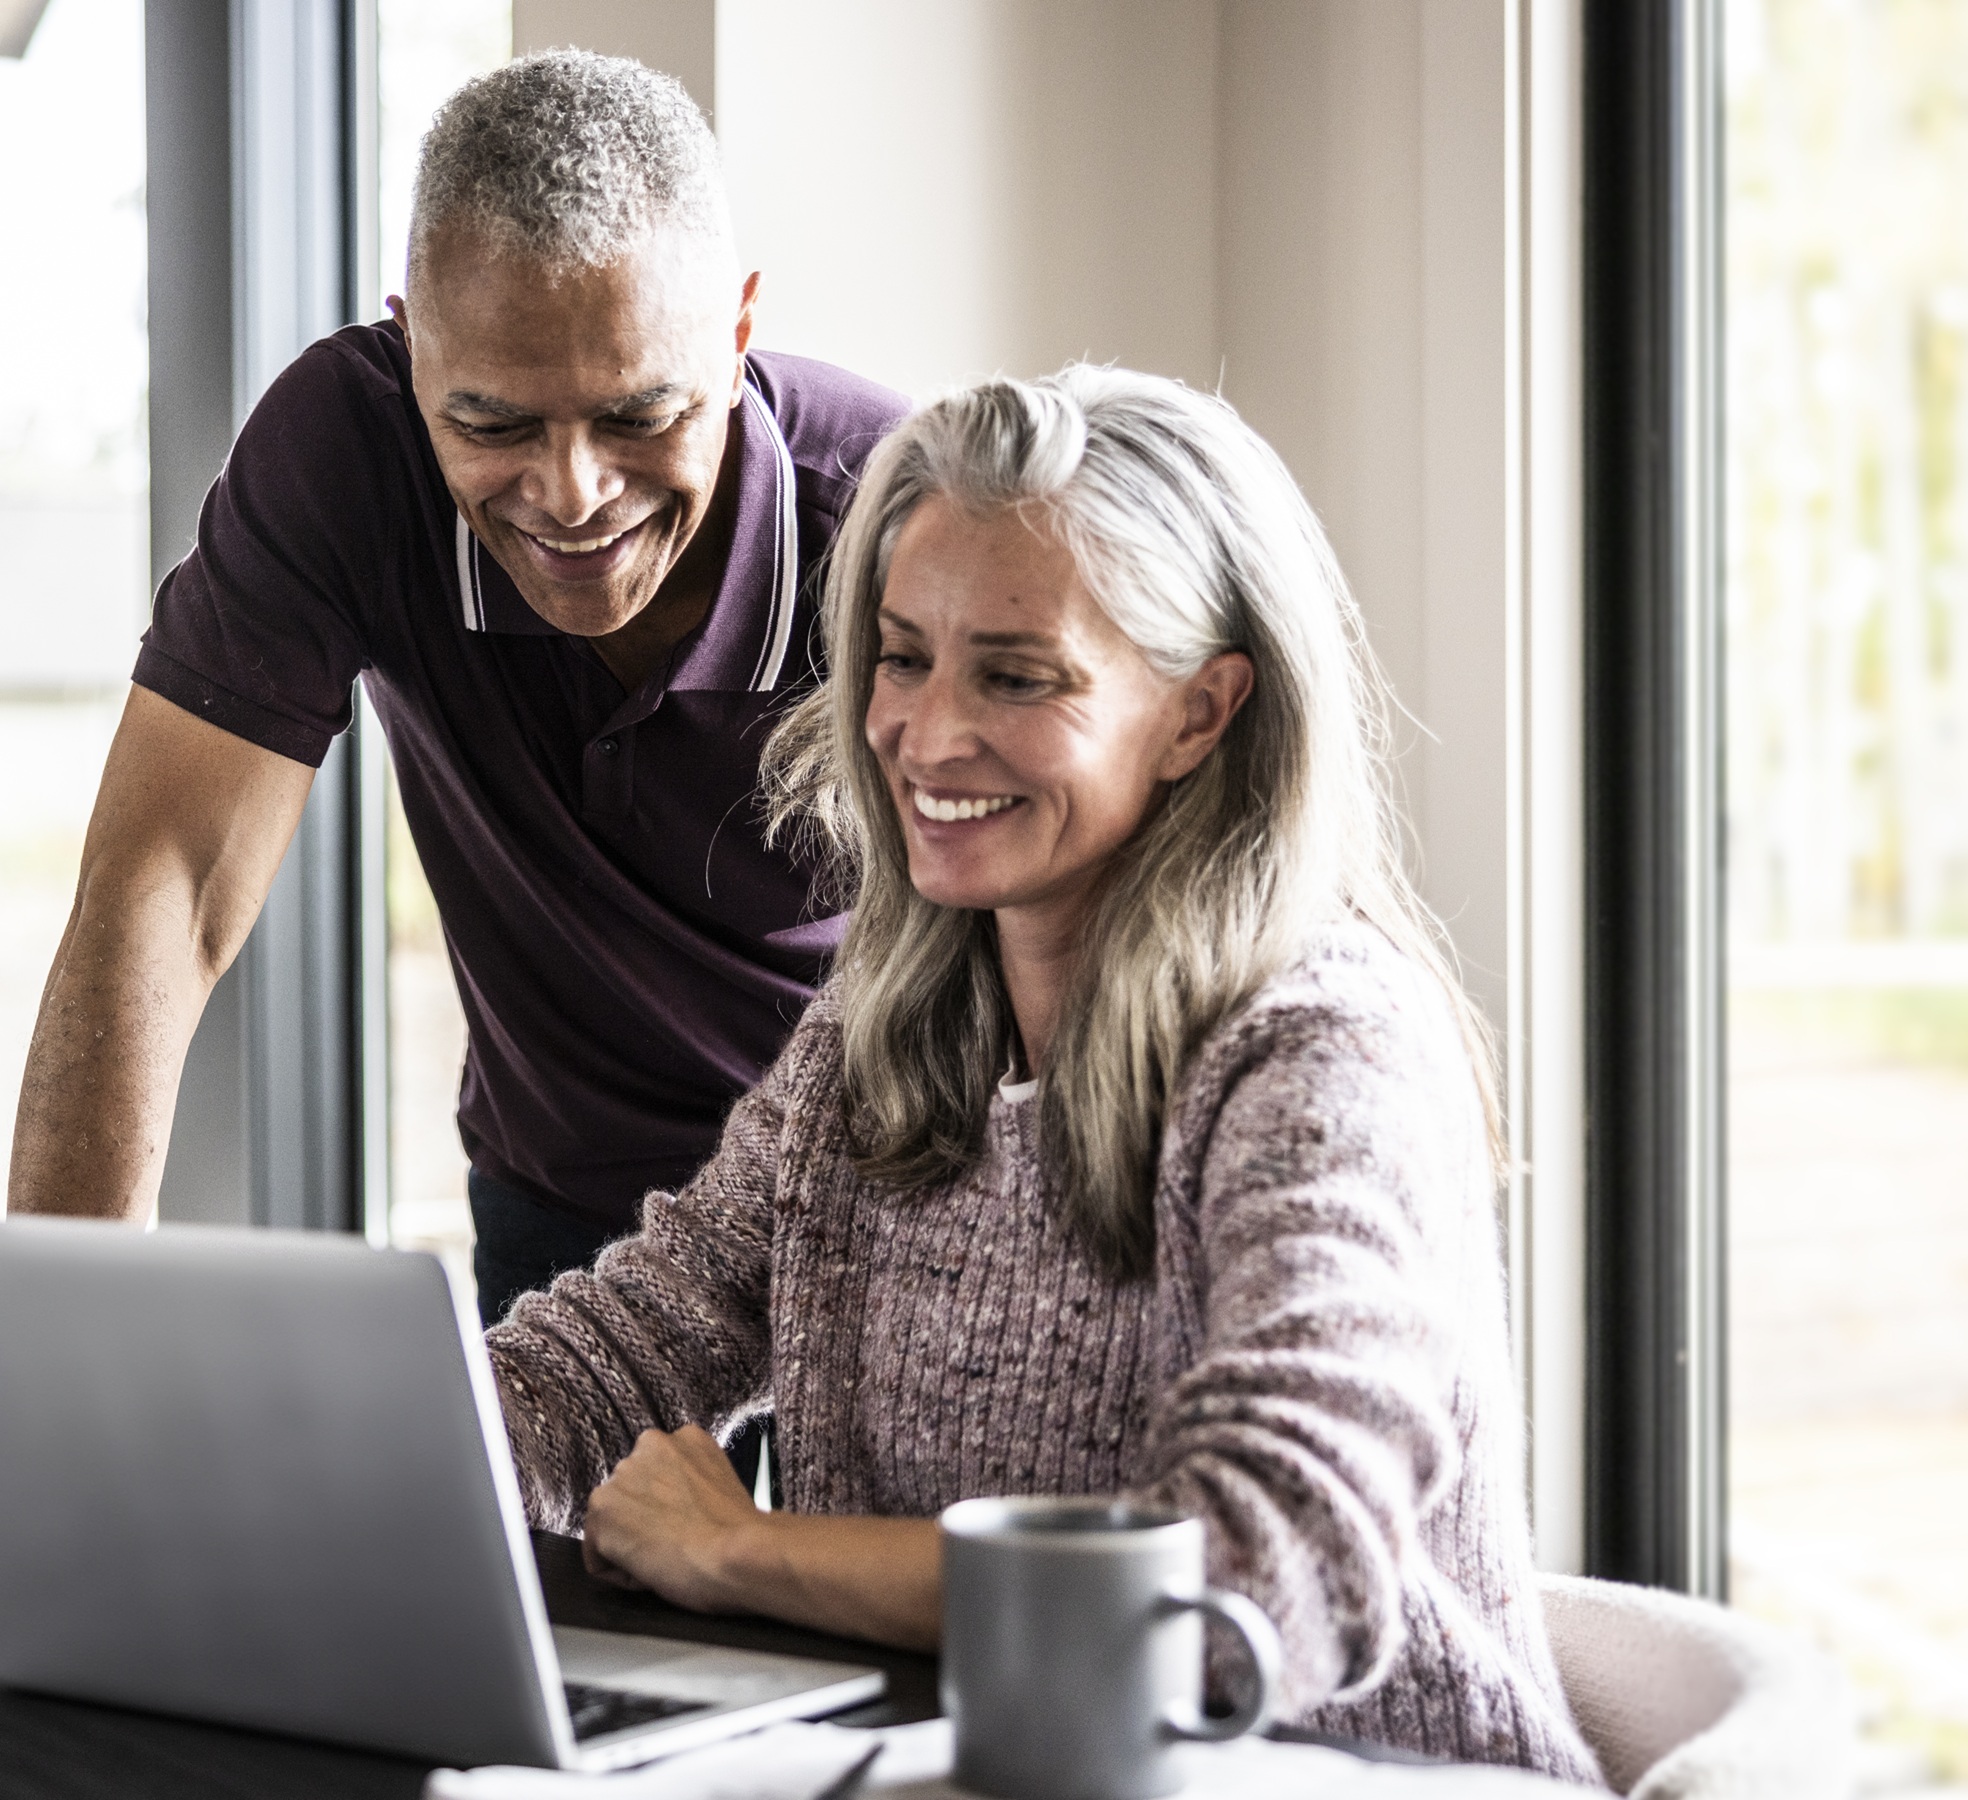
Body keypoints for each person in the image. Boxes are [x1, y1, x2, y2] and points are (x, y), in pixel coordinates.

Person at [0, 51, 905, 1588]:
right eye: (493, 422)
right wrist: (32, 1393)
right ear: (411, 352)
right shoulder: (346, 455)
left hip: (866, 1225)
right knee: (536, 1688)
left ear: (738, 328)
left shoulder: (888, 518)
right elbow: (165, 880)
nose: (571, 492)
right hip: (569, 1228)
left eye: (638, 414)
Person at [482, 366, 1599, 1776]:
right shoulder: (883, 1032)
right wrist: (337, 1466)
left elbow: (1257, 1577)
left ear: (1200, 715)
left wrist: (752, 1553)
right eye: (902, 656)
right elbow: (621, 1356)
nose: (927, 735)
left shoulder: (1320, 1056)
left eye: (1017, 675)